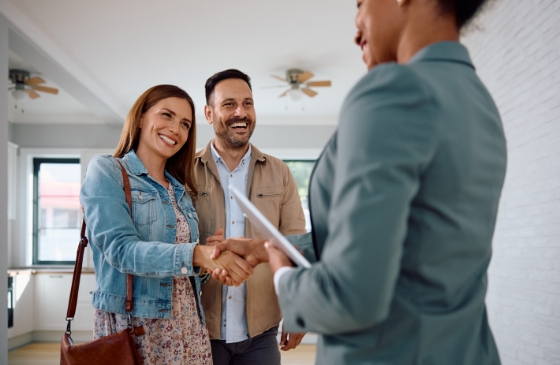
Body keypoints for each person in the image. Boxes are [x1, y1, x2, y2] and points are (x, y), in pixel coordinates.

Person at [212, 0, 507, 364]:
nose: (356, 29)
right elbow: (410, 242)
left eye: (360, 4)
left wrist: (282, 275)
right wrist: (264, 248)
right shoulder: (478, 100)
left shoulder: (390, 92)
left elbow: (350, 296)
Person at [80, 84, 254, 365]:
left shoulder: (180, 190)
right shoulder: (107, 171)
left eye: (185, 124)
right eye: (167, 115)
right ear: (140, 118)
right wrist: (195, 254)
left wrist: (209, 260)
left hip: (189, 328)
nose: (176, 129)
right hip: (138, 327)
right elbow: (121, 250)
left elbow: (184, 274)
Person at [192, 69, 307, 365]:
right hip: (200, 329)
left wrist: (297, 309)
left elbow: (295, 245)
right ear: (209, 112)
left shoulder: (280, 172)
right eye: (229, 104)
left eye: (248, 103)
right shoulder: (184, 172)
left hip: (261, 334)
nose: (240, 112)